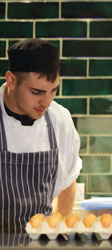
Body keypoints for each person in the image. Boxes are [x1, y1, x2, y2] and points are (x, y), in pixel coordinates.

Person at [0, 38, 82, 233]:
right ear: (11, 80)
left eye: (53, 91)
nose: (45, 102)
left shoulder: (59, 119)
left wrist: (55, 230)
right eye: (36, 92)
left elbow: (68, 182)